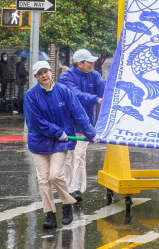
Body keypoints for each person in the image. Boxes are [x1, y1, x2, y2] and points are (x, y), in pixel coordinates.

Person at [24, 60, 99, 229]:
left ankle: (67, 205)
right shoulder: (31, 95)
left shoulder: (64, 91)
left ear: (51, 72)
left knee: (55, 175)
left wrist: (91, 133)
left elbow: (78, 113)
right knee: (43, 179)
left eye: (46, 72)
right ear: (36, 77)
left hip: (61, 142)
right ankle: (49, 214)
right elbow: (35, 121)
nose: (44, 75)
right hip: (40, 141)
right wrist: (58, 132)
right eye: (40, 73)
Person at [59, 49, 106, 203]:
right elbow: (75, 95)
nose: (92, 64)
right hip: (68, 123)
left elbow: (104, 87)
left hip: (85, 124)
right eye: (89, 62)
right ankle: (68, 188)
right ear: (79, 63)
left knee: (79, 156)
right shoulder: (66, 77)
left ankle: (77, 189)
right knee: (68, 157)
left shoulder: (94, 75)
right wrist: (96, 99)